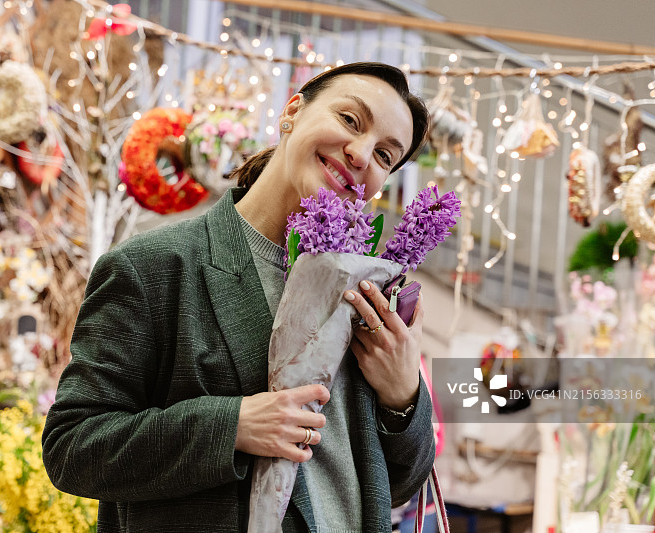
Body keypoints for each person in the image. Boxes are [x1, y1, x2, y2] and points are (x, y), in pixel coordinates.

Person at [42, 61, 435, 533]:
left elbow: (396, 485)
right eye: (350, 120)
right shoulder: (157, 267)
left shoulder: (360, 291)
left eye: (385, 156)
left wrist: (402, 397)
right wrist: (232, 426)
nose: (360, 154)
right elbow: (72, 447)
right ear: (293, 110)